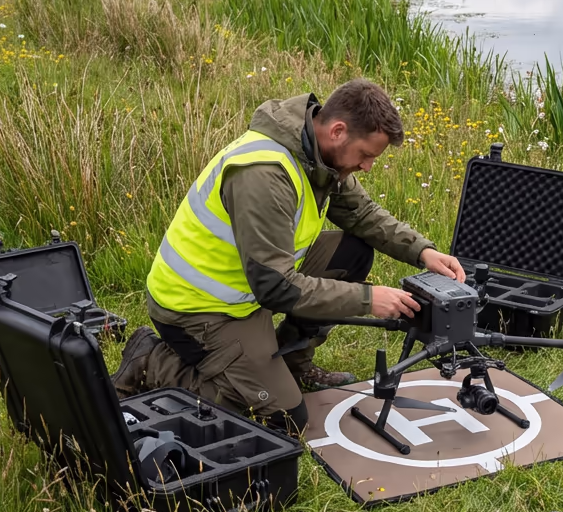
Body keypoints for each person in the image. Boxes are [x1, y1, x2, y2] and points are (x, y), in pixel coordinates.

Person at [112, 79, 465, 434]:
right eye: (367, 155)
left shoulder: (318, 155)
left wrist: (423, 251)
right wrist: (369, 299)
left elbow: (361, 214)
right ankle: (152, 361)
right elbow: (276, 287)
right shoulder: (264, 174)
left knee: (352, 252)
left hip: (249, 288)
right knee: (283, 418)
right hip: (199, 308)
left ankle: (293, 363)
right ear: (338, 131)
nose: (368, 167)